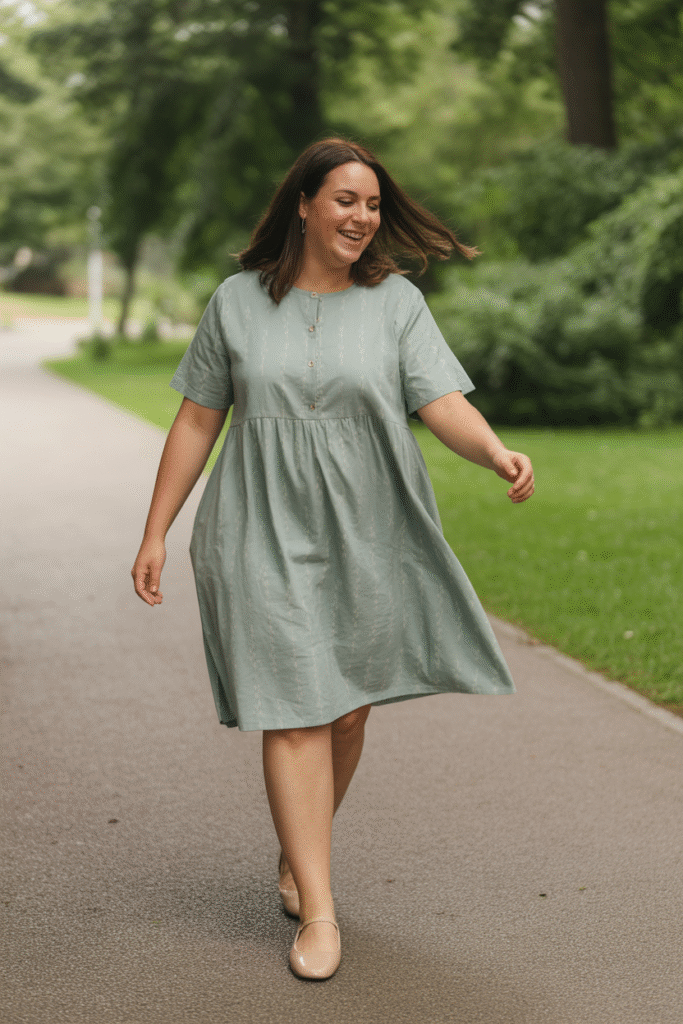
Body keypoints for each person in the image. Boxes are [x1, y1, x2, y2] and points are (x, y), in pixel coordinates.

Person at [131, 137, 534, 981]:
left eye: (373, 204)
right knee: (294, 706)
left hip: (368, 523)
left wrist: (494, 452)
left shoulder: (394, 305)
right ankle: (318, 907)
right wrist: (156, 529)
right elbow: (199, 420)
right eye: (345, 200)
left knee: (346, 711)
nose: (361, 216)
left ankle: (296, 853)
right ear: (305, 206)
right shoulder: (236, 302)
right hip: (257, 525)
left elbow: (440, 400)